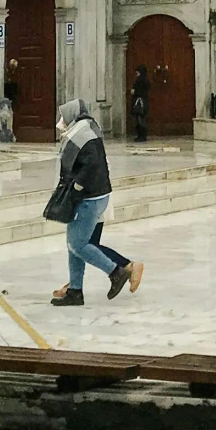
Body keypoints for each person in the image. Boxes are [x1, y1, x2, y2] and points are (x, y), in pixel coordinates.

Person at [47, 98, 143, 307]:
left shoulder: (81, 135)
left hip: (89, 198)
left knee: (79, 244)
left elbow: (90, 166)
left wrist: (76, 188)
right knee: (76, 244)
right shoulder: (87, 129)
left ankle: (117, 271)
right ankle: (74, 290)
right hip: (97, 196)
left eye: (63, 116)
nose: (61, 121)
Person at [129, 64, 151, 143]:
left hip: (140, 102)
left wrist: (134, 92)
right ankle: (142, 135)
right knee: (142, 118)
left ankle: (141, 135)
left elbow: (139, 91)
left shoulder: (140, 80)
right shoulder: (146, 80)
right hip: (145, 101)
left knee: (140, 119)